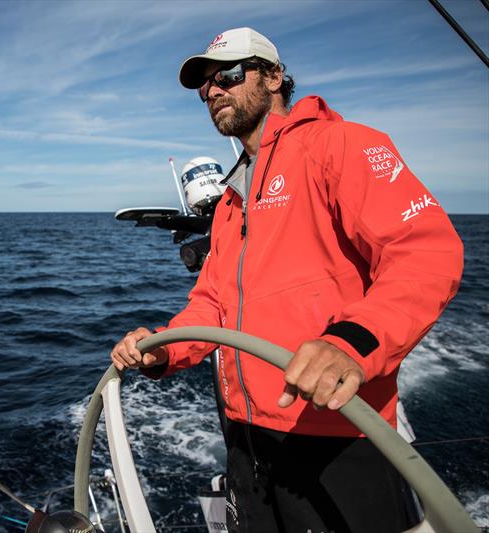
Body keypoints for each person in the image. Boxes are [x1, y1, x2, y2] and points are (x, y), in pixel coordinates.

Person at [110, 27, 463, 533]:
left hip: (336, 434)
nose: (212, 91)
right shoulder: (232, 200)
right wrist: (165, 350)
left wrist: (350, 345)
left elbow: (426, 254)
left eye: (228, 75)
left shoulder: (341, 145)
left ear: (274, 76)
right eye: (203, 85)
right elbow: (211, 301)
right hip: (245, 439)